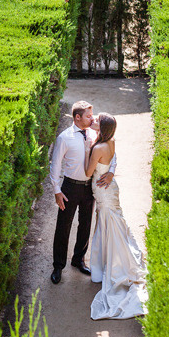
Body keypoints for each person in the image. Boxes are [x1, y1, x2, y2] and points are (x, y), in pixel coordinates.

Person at [85, 113, 148, 320]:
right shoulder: (110, 141)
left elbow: (87, 173)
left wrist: (88, 153)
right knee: (110, 223)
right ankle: (109, 263)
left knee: (107, 225)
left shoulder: (98, 147)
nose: (92, 120)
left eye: (96, 120)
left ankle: (111, 266)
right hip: (110, 187)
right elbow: (115, 158)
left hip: (102, 189)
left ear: (102, 128)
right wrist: (111, 170)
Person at [49, 101, 116, 285]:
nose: (93, 119)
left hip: (89, 187)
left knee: (85, 224)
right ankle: (58, 266)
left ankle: (78, 259)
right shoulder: (65, 137)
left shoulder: (95, 133)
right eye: (88, 116)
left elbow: (112, 151)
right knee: (64, 226)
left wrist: (111, 172)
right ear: (77, 117)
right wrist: (56, 191)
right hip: (69, 186)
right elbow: (55, 165)